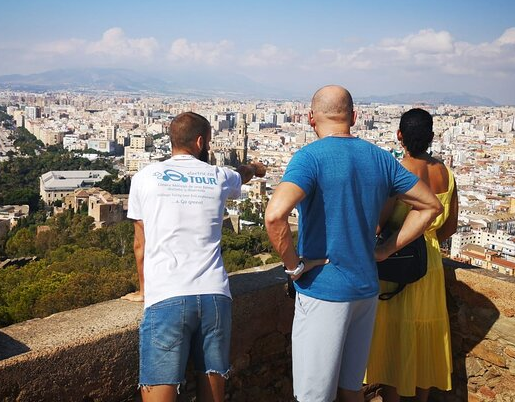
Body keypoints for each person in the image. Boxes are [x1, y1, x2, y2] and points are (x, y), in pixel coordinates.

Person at [264, 86, 442, 402]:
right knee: (350, 389)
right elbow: (430, 206)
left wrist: (295, 267)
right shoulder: (380, 158)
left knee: (312, 395)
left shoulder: (309, 157)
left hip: (324, 290)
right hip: (366, 289)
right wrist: (386, 249)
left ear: (309, 118)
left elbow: (275, 215)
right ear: (355, 118)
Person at [127, 111, 265, 402]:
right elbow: (244, 174)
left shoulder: (144, 177)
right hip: (215, 296)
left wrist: (143, 291)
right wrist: (256, 167)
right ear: (201, 142)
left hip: (166, 296)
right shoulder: (218, 175)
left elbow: (141, 245)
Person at [365, 108, 458, 401]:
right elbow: (450, 226)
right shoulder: (445, 173)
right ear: (431, 137)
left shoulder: (397, 172)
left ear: (399, 135)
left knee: (398, 339)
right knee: (424, 339)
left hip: (398, 261)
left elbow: (380, 222)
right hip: (429, 264)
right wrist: (427, 240)